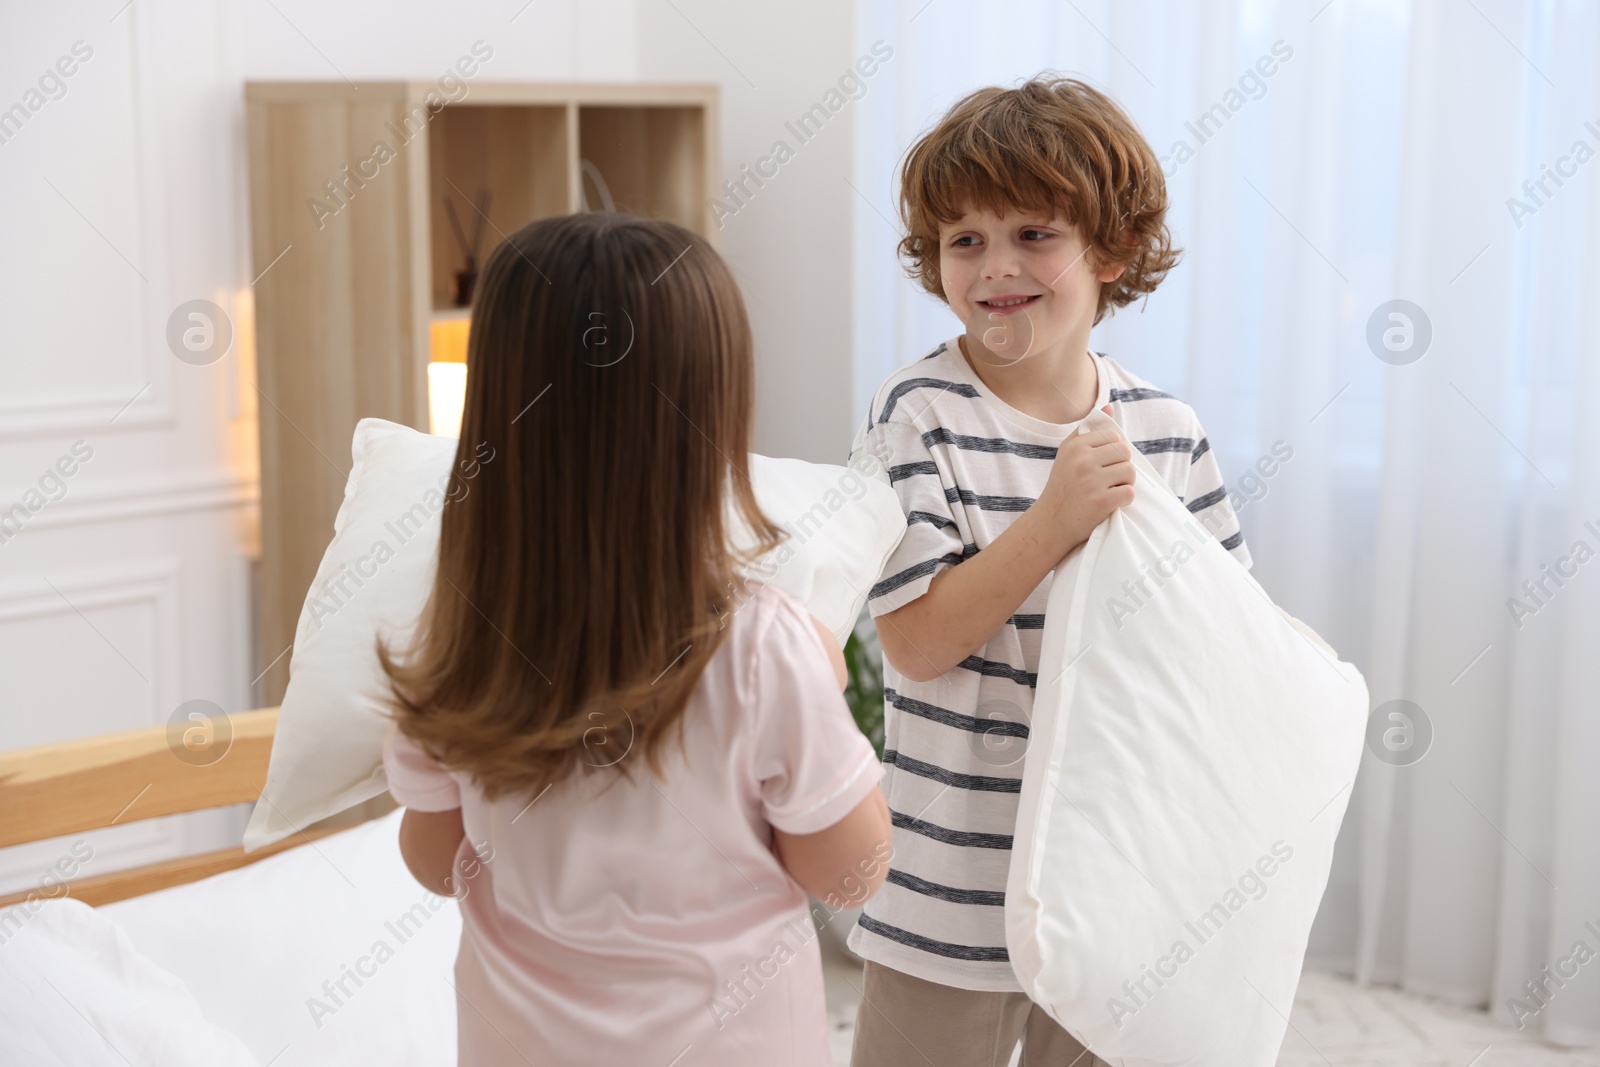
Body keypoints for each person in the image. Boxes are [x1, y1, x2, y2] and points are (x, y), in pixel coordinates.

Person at [378, 211, 891, 1066]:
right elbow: (848, 874)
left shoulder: (461, 639)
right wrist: (826, 687)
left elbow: (435, 860)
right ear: (710, 424)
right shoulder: (765, 648)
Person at [847, 77, 1253, 1066]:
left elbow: (1224, 645)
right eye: (964, 240)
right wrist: (1053, 520)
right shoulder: (917, 414)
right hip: (950, 887)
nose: (995, 268)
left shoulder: (1165, 427)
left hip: (1113, 881)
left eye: (1033, 234)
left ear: (1111, 250)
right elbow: (917, 641)